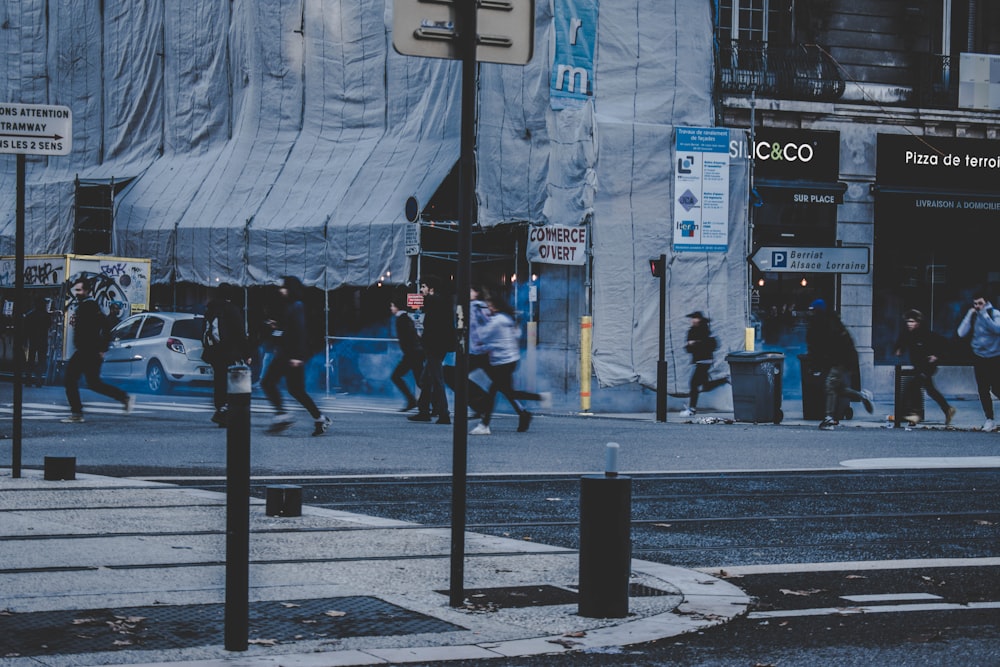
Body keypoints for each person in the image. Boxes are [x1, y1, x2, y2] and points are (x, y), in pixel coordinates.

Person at [469, 294, 551, 435]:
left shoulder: (497, 321)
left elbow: (481, 336)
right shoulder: (506, 319)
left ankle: (484, 425)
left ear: (496, 306)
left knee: (493, 392)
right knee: (508, 391)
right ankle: (529, 409)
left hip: (502, 362)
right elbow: (516, 335)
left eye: (490, 306)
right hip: (509, 360)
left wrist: (476, 318)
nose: (488, 309)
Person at [261, 276, 331, 436]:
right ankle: (319, 418)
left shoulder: (296, 306)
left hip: (289, 355)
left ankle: (282, 415)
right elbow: (292, 330)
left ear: (290, 289)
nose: (281, 290)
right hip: (289, 354)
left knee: (268, 383)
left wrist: (297, 356)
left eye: (284, 288)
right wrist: (277, 327)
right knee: (296, 390)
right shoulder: (292, 306)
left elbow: (299, 332)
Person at [61, 277, 135, 423]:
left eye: (79, 290)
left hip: (87, 350)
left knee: (70, 380)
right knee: (94, 383)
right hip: (89, 350)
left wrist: (102, 348)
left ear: (87, 291)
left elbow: (105, 327)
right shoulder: (86, 305)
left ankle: (76, 413)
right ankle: (123, 397)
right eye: (76, 290)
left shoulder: (89, 306)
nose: (77, 293)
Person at [805, 299, 873, 430]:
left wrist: (816, 364)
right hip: (838, 360)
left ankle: (828, 418)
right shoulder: (828, 322)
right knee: (839, 389)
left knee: (830, 385)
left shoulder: (827, 324)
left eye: (812, 311)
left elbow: (823, 347)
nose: (810, 313)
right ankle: (863, 396)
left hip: (839, 360)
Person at [893, 309, 956, 426]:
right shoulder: (907, 333)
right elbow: (900, 343)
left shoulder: (926, 334)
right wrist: (898, 349)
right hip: (918, 366)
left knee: (913, 385)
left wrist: (936, 356)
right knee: (930, 390)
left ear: (918, 322)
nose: (909, 324)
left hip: (928, 366)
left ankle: (915, 414)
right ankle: (947, 409)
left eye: (912, 321)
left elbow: (945, 344)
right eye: (908, 321)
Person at [203, 283, 252, 427]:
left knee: (219, 380)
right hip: (229, 351)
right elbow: (240, 333)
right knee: (231, 382)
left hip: (214, 351)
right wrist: (246, 353)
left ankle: (220, 408)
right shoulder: (232, 309)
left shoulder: (210, 309)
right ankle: (225, 411)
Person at [408, 275, 455, 425]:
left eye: (423, 286)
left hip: (434, 346)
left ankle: (443, 413)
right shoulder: (442, 301)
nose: (421, 290)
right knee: (426, 378)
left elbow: (417, 304)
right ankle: (424, 411)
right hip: (438, 345)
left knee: (436, 379)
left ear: (431, 289)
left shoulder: (434, 300)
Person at [957, 292, 1000, 432]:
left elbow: (997, 329)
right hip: (979, 357)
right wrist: (969, 315)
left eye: (980, 303)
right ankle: (990, 419)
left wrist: (985, 314)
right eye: (975, 303)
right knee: (983, 389)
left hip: (995, 357)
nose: (977, 306)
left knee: (997, 388)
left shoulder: (994, 314)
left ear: (986, 302)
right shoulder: (974, 315)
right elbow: (961, 333)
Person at [679, 311, 728, 418]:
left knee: (693, 384)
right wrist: (690, 345)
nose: (693, 320)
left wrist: (695, 343)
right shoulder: (691, 331)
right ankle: (723, 380)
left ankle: (691, 408)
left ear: (700, 319)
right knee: (705, 384)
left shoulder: (705, 331)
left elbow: (713, 345)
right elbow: (688, 348)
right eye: (692, 318)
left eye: (695, 318)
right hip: (698, 360)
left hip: (705, 360)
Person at [389, 296, 423, 412]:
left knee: (396, 376)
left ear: (397, 307)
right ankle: (433, 404)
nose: (391, 308)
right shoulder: (406, 318)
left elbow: (407, 338)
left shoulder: (401, 319)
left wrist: (407, 353)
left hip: (412, 353)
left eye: (392, 305)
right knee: (420, 380)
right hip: (415, 352)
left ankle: (412, 400)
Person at [24, 296, 53, 386]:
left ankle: (28, 379)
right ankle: (38, 380)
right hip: (43, 340)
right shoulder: (46, 315)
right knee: (41, 360)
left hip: (33, 339)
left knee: (31, 359)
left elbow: (26, 328)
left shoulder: (30, 315)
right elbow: (48, 326)